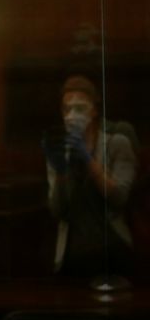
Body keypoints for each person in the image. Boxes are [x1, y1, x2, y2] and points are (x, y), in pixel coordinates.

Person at [42, 74, 137, 278]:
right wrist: (60, 171)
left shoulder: (116, 143)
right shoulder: (61, 150)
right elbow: (58, 210)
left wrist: (87, 159)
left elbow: (119, 197)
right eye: (67, 109)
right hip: (73, 253)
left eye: (80, 108)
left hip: (111, 247)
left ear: (94, 110)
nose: (72, 115)